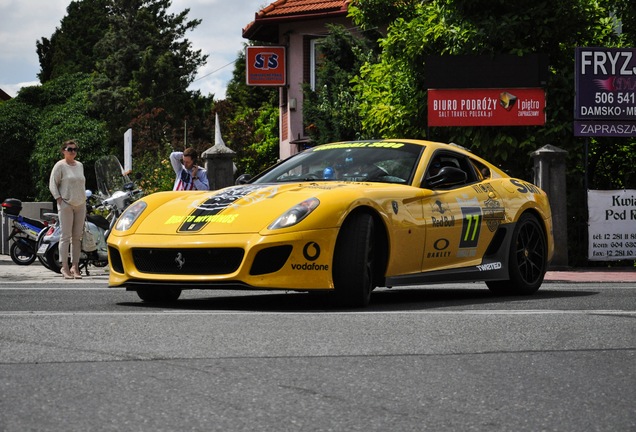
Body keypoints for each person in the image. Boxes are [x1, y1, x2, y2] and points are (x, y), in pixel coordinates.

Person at [48, 140, 86, 279]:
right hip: (66, 204)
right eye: (70, 149)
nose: (73, 152)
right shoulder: (60, 166)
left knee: (77, 237)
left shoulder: (80, 165)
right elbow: (53, 184)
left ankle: (75, 267)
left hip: (80, 204)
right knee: (65, 236)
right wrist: (59, 199)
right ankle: (64, 267)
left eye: (75, 149)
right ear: (63, 150)